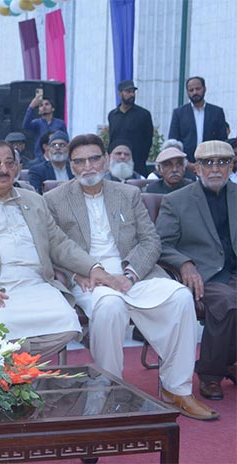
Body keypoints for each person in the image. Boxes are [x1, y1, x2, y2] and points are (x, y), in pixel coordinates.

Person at [45, 134, 217, 420]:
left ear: (106, 160)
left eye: (94, 159)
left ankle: (177, 389)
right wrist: (80, 271)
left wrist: (131, 274)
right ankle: (108, 388)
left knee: (179, 297)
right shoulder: (54, 199)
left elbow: (151, 240)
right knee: (110, 306)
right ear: (72, 166)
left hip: (135, 275)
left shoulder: (128, 194)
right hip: (89, 279)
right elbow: (52, 246)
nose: (88, 166)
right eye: (80, 161)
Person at [0, 139, 113, 357]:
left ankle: (15, 364)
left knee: (67, 323)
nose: (4, 169)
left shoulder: (35, 201)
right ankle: (23, 368)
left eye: (9, 163)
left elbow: (59, 243)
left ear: (17, 168)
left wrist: (92, 267)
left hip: (36, 284)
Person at [156, 140, 236, 401]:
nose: (215, 168)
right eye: (208, 162)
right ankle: (211, 374)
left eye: (222, 162)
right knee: (227, 301)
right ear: (196, 168)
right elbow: (161, 244)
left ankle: (231, 360)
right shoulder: (176, 201)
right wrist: (185, 264)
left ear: (231, 166)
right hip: (204, 275)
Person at [168, 77, 228, 162]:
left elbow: (222, 140)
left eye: (198, 89)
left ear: (204, 89)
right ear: (187, 92)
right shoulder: (179, 113)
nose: (195, 92)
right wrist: (186, 163)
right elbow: (173, 141)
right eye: (191, 90)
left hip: (211, 162)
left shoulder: (217, 112)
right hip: (186, 163)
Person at [107, 80, 155, 177]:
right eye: (128, 92)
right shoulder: (112, 115)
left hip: (137, 165)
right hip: (117, 165)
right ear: (120, 94)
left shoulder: (144, 114)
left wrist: (141, 158)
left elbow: (148, 140)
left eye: (133, 92)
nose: (132, 95)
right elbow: (112, 140)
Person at [22, 96, 67, 160]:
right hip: (40, 157)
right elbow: (25, 125)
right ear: (39, 111)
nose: (44, 107)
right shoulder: (37, 123)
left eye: (47, 104)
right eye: (41, 105)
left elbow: (65, 140)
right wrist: (31, 107)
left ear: (53, 109)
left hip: (57, 155)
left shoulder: (60, 123)